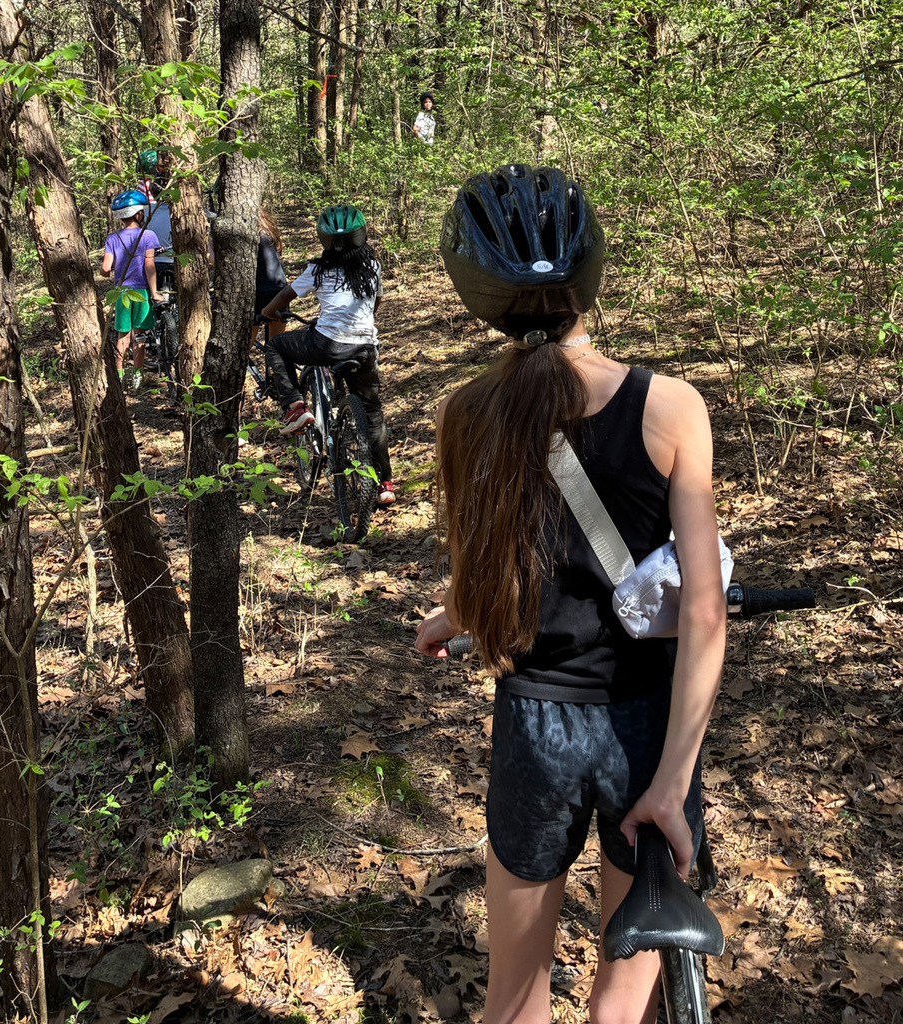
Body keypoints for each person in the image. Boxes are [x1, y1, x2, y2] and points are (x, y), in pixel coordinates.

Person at [415, 164, 726, 1024]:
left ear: (477, 291)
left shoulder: (466, 414)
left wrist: (451, 616)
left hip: (534, 730)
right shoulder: (671, 407)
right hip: (646, 724)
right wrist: (670, 781)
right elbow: (703, 611)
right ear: (589, 274)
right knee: (621, 1003)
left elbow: (496, 577)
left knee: (514, 1002)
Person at [261, 204, 395, 507]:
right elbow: (374, 306)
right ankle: (385, 483)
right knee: (373, 414)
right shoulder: (372, 266)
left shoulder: (318, 269)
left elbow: (285, 297)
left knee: (276, 346)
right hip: (364, 348)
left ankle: (295, 407)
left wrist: (267, 312)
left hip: (325, 344)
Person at [101, 189, 163, 390]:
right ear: (139, 214)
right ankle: (137, 375)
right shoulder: (148, 236)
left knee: (122, 335)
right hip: (141, 293)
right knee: (140, 335)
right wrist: (154, 293)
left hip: (121, 294)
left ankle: (118, 376)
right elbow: (149, 266)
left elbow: (104, 268)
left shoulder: (112, 238)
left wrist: (108, 271)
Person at [252, 206, 288, 349]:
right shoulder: (268, 229)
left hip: (257, 292)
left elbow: (215, 260)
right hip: (279, 290)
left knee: (243, 348)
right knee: (276, 347)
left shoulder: (247, 233)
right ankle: (277, 371)